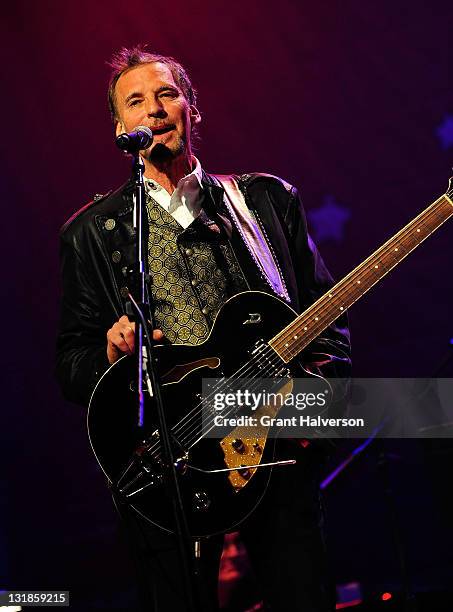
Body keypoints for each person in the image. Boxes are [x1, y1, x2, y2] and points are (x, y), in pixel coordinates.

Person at [56, 46, 351, 612]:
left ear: (193, 108)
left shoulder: (264, 200)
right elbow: (70, 363)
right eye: (136, 101)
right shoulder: (91, 233)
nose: (155, 109)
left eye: (167, 94)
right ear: (121, 128)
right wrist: (110, 355)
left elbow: (327, 320)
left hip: (273, 443)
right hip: (169, 459)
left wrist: (316, 417)